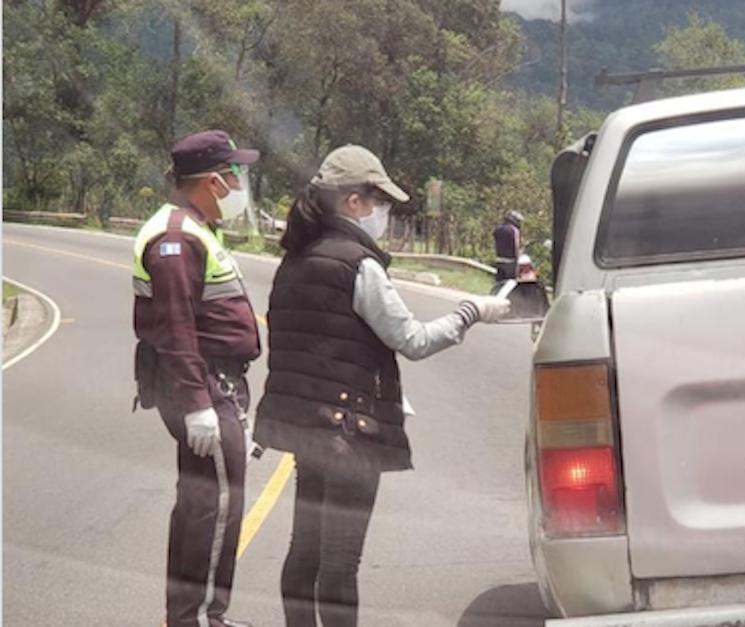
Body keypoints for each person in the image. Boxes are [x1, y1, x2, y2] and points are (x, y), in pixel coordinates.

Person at [254, 145, 511, 627]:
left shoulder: (295, 258)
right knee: (340, 561)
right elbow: (411, 340)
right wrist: (472, 311)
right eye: (379, 201)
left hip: (306, 428)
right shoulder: (358, 265)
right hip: (350, 432)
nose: (383, 213)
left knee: (303, 549)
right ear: (354, 202)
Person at [132, 129, 261, 627]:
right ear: (213, 181)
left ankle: (188, 616)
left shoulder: (193, 228)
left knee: (199, 504)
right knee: (217, 507)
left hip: (208, 382)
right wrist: (197, 404)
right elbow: (176, 326)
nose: (238, 183)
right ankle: (203, 617)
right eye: (234, 174)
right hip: (205, 384)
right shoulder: (176, 239)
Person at [493, 210, 523, 282]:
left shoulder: (498, 229)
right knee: (510, 283)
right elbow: (516, 246)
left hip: (499, 259)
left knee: (499, 282)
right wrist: (518, 259)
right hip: (510, 261)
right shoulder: (514, 230)